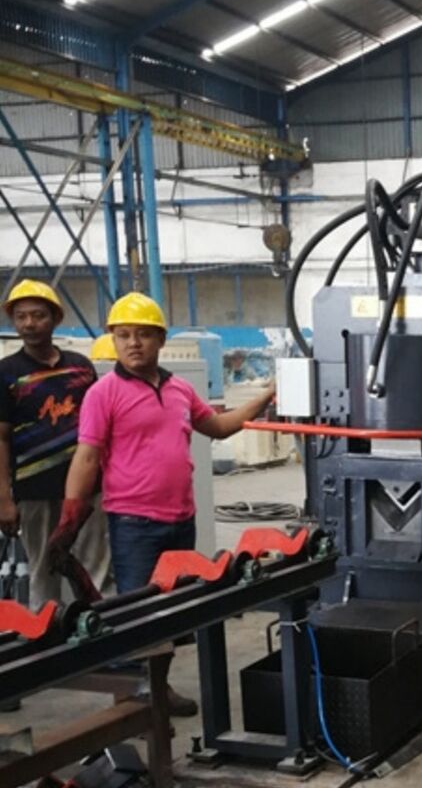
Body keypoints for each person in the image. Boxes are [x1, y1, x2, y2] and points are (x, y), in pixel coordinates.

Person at [53, 291, 274, 717]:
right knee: (138, 614)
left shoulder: (179, 389)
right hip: (134, 521)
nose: (133, 343)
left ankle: (157, 689)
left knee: (171, 613)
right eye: (123, 335)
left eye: (142, 334)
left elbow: (217, 426)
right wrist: (71, 514)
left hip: (181, 519)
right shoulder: (103, 393)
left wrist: (264, 398)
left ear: (160, 339)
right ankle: (133, 702)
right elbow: (87, 456)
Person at [0, 279, 111, 610]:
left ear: (55, 318)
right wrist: (4, 498)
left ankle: (102, 629)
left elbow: (100, 428)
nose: (29, 324)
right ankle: (47, 635)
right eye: (21, 317)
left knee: (95, 567)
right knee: (43, 571)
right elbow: (1, 438)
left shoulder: (81, 367)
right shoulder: (6, 373)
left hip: (87, 489)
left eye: (38, 315)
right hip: (35, 491)